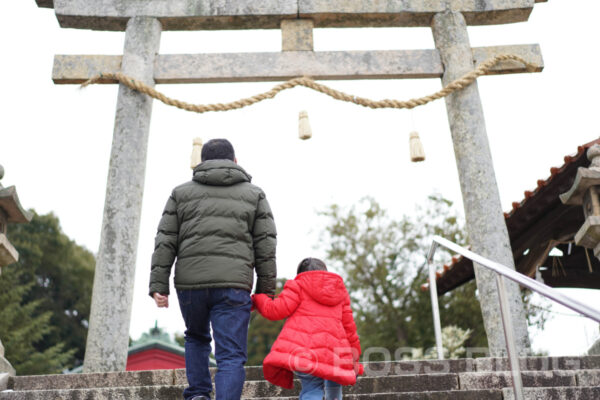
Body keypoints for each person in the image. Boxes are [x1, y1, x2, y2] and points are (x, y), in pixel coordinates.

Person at [149, 138, 277, 400]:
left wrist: (158, 286)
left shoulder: (180, 193)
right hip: (234, 284)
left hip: (190, 283)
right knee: (230, 354)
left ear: (201, 163)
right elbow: (265, 246)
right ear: (235, 162)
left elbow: (165, 240)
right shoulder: (254, 194)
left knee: (196, 337)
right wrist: (265, 290)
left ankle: (198, 395)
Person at [252, 257, 363, 400]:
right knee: (335, 386)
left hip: (305, 351)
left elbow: (275, 310)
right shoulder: (340, 292)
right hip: (335, 352)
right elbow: (350, 330)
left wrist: (259, 298)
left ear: (300, 273)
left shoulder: (298, 286)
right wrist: (355, 360)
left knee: (312, 388)